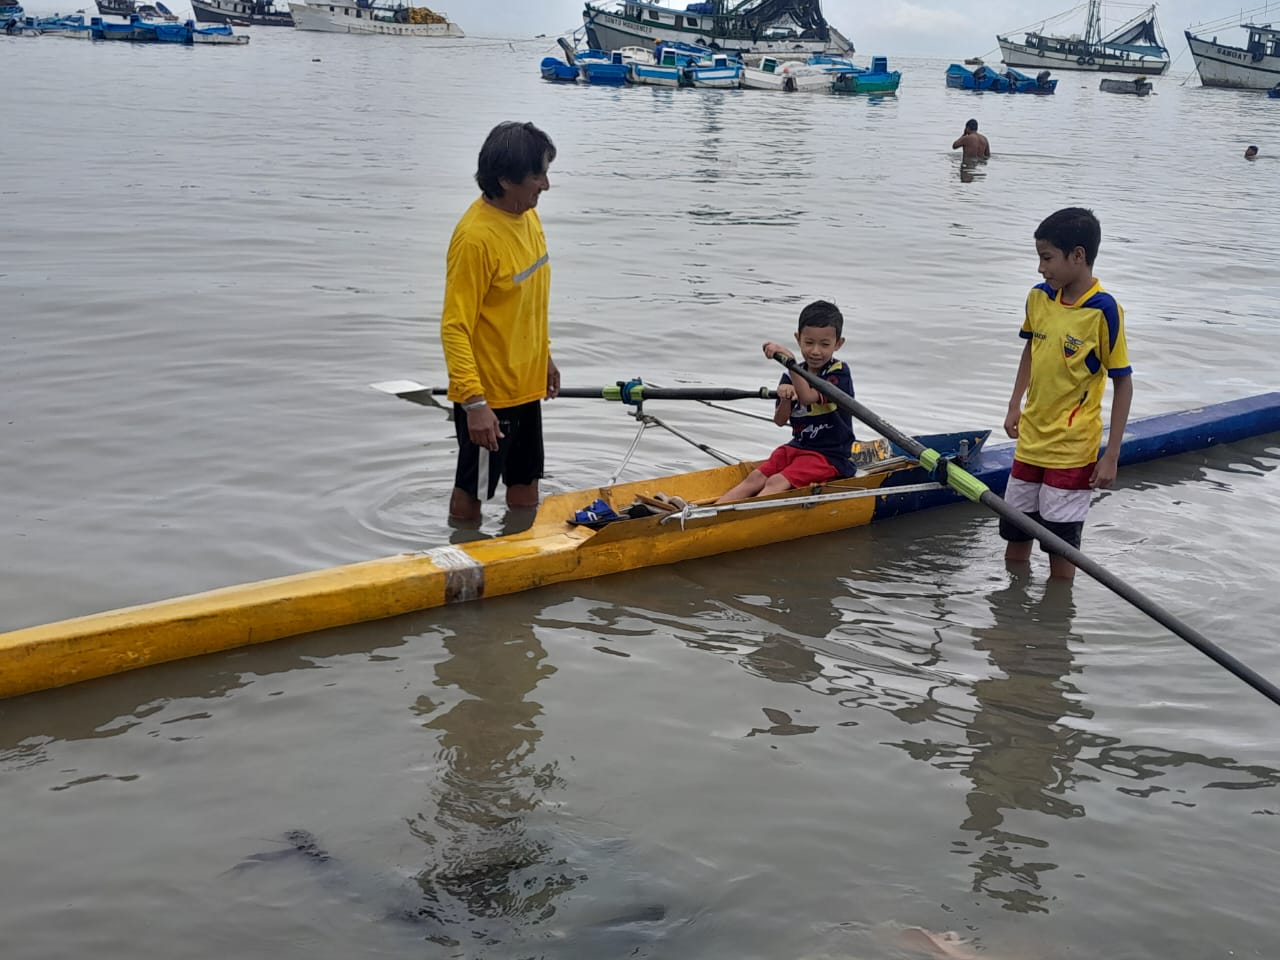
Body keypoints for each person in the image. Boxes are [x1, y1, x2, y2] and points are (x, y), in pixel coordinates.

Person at [1001, 207, 1133, 580]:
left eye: (1047, 258)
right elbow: (1031, 350)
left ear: (1078, 255)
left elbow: (1123, 382)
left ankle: (1057, 611)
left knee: (1060, 553)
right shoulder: (1038, 298)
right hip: (1031, 441)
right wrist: (1014, 404)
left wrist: (1111, 455)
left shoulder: (1103, 310)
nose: (1041, 268)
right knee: (1015, 538)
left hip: (1071, 450)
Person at [440, 121, 561, 523]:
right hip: (489, 395)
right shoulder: (475, 238)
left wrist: (545, 356)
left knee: (526, 483)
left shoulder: (528, 217)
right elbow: (455, 327)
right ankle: (464, 550)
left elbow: (527, 302)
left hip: (526, 385)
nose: (545, 185)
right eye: (537, 176)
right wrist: (475, 404)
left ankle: (522, 546)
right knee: (473, 493)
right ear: (506, 180)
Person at [716, 300, 856, 503]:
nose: (815, 351)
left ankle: (745, 515)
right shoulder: (790, 376)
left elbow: (807, 397)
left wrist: (789, 361)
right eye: (809, 343)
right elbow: (780, 420)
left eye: (825, 344)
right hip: (797, 447)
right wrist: (785, 399)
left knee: (776, 481)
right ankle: (712, 511)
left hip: (830, 455)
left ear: (838, 344)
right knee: (755, 477)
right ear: (798, 339)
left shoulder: (838, 373)